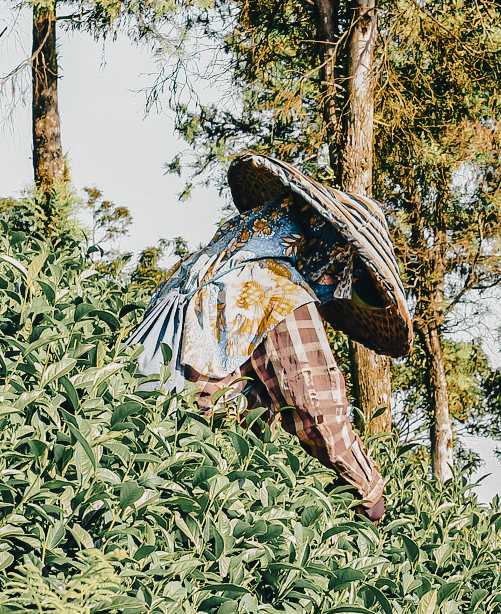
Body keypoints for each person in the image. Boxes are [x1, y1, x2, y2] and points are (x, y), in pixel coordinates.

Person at [129, 155, 413, 522]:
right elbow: (315, 407)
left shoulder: (213, 266)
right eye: (343, 271)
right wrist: (368, 489)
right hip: (181, 462)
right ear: (328, 247)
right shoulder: (276, 285)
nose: (336, 284)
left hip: (130, 425)